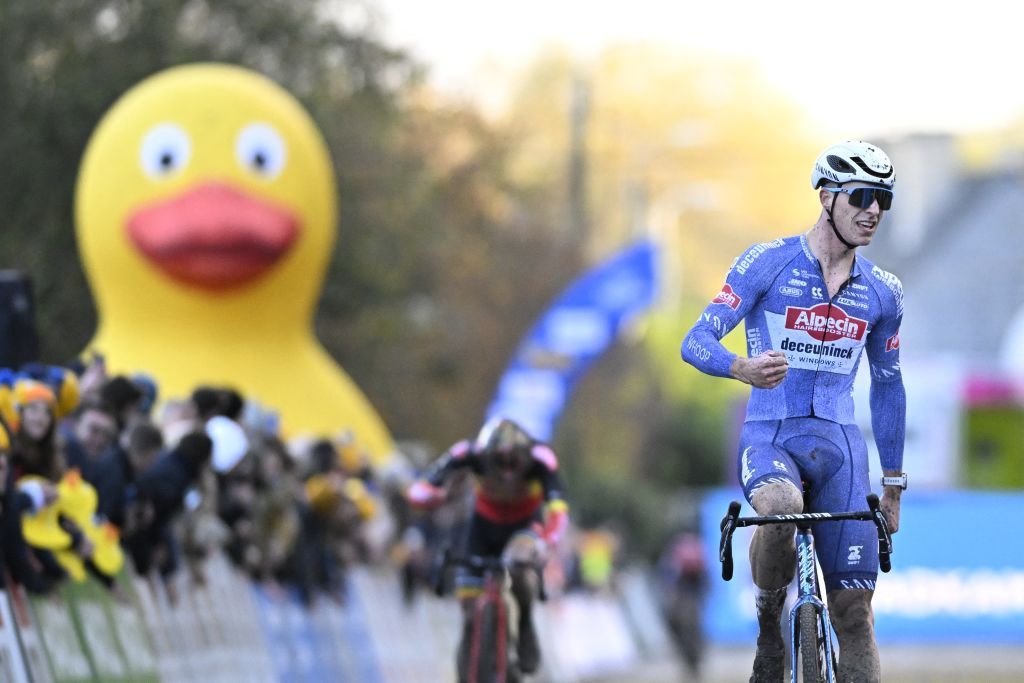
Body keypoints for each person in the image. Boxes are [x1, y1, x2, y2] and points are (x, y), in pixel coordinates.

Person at [680, 140, 906, 683]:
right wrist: (740, 368)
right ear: (827, 197)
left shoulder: (884, 293)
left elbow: (889, 386)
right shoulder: (767, 262)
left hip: (842, 451)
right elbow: (695, 339)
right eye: (861, 196)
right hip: (771, 437)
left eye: (883, 200)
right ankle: (767, 625)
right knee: (779, 504)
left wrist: (894, 484)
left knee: (855, 614)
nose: (873, 209)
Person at [407, 417, 569, 679]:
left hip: (524, 526)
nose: (505, 473)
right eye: (497, 463)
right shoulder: (468, 452)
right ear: (484, 457)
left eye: (513, 463)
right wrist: (433, 496)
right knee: (469, 609)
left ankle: (525, 622)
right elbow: (421, 487)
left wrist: (548, 539)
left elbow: (558, 510)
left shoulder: (541, 458)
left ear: (526, 456)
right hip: (483, 528)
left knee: (519, 564)